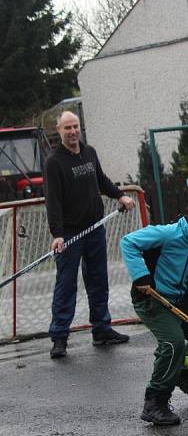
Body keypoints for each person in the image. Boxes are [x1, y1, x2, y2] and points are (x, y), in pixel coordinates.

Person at [120, 194, 188, 426]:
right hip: (151, 299)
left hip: (179, 302)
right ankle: (155, 402)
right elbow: (128, 242)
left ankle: (181, 373)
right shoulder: (168, 234)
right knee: (173, 343)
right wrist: (141, 277)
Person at [44, 111, 134, 359]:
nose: (72, 132)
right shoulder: (54, 162)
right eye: (67, 128)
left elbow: (102, 180)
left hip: (95, 228)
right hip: (70, 235)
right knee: (66, 285)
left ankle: (102, 329)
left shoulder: (89, 152)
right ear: (59, 131)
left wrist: (120, 195)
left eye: (75, 127)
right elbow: (53, 201)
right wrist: (58, 234)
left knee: (98, 280)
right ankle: (59, 337)